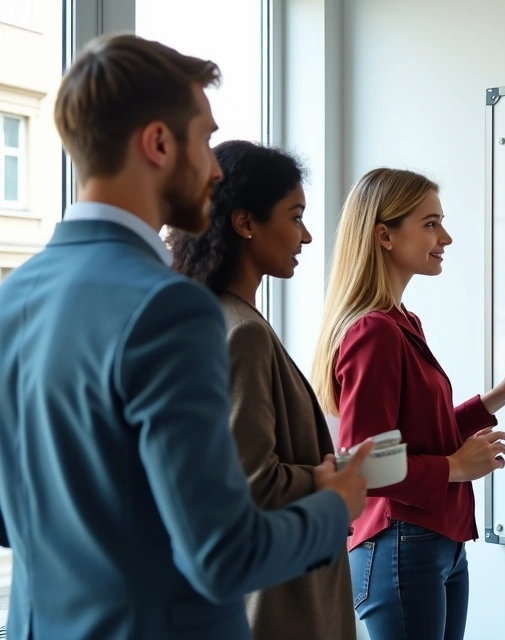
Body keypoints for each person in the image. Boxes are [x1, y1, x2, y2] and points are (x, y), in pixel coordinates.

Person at [0, 34, 371, 640]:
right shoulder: (171, 308)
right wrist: (335, 506)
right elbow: (224, 556)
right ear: (158, 143)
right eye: (205, 139)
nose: (216, 167)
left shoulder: (14, 295)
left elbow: (15, 514)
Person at [310, 168, 505, 640]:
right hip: (401, 542)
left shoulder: (402, 321)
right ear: (384, 235)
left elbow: (425, 432)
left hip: (435, 542)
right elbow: (365, 465)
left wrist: (502, 391)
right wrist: (455, 468)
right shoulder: (374, 331)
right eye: (430, 223)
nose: (445, 236)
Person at [166, 140, 358, 640]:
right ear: (246, 223)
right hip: (283, 604)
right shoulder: (241, 331)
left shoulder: (219, 319)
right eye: (295, 216)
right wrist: (328, 481)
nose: (308, 235)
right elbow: (252, 482)